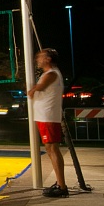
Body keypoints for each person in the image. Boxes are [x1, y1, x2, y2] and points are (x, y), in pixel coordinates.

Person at [28, 47, 68, 198]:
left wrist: (32, 90)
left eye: (40, 57)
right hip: (45, 116)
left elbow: (38, 88)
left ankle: (62, 186)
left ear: (48, 59)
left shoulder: (51, 74)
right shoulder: (50, 74)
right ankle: (60, 184)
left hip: (48, 116)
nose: (37, 59)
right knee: (50, 149)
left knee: (52, 149)